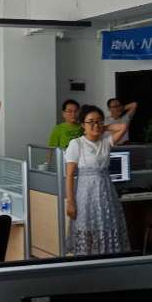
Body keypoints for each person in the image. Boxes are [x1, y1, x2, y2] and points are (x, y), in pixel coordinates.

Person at [64, 105, 130, 256]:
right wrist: (71, 202)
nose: (96, 124)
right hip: (86, 195)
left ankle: (108, 260)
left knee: (107, 228)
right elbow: (69, 175)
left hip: (106, 193)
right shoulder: (76, 144)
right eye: (90, 121)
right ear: (82, 124)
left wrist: (101, 127)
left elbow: (123, 127)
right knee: (87, 230)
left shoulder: (106, 142)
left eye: (99, 121)